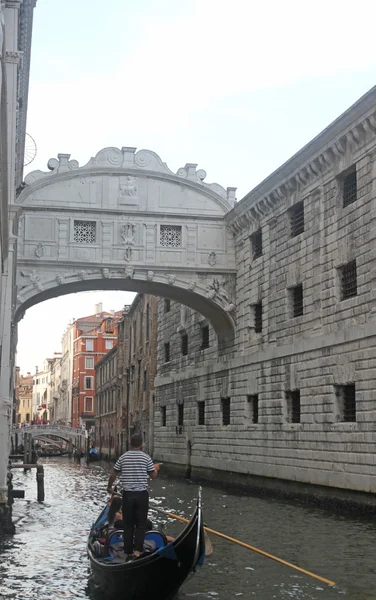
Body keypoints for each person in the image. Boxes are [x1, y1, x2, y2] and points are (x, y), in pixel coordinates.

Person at [107, 433, 160, 560]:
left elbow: (113, 474)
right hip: (142, 495)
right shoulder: (146, 458)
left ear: (130, 443)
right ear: (141, 444)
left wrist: (109, 487)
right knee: (141, 524)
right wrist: (156, 468)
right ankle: (137, 552)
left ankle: (128, 552)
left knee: (128, 524)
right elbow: (153, 476)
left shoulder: (123, 457)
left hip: (128, 495)